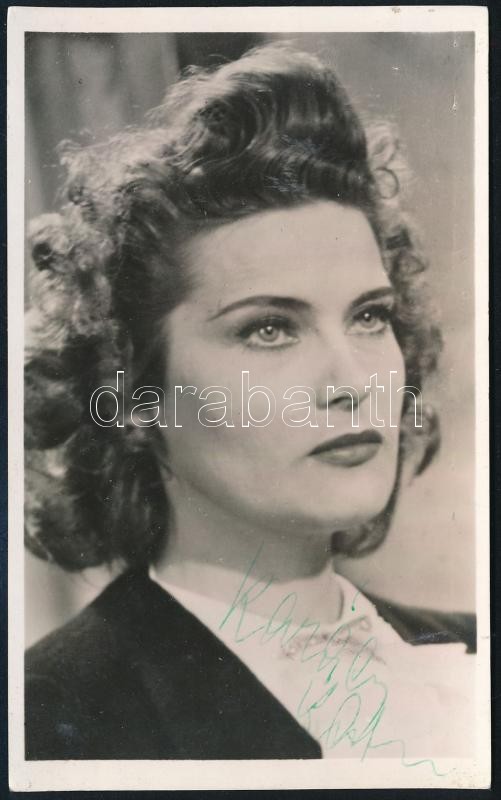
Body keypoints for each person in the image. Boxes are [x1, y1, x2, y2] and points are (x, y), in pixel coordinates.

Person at [24, 43, 475, 762]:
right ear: (135, 395)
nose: (352, 381)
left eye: (369, 316)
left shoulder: (474, 657)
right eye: (269, 329)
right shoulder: (49, 718)